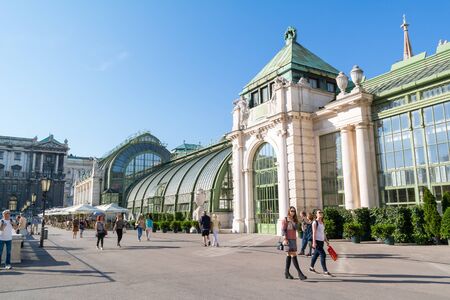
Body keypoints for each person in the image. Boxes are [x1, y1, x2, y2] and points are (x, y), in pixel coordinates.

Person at [282, 206, 307, 280]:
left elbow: (296, 228)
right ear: (289, 211)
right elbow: (283, 230)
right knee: (293, 255)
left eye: (294, 211)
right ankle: (300, 273)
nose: (293, 212)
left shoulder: (294, 220)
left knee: (289, 255)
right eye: (291, 211)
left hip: (293, 239)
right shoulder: (285, 220)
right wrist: (285, 239)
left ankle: (286, 273)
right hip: (288, 240)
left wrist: (294, 221)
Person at [310, 210, 332, 276]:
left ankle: (311, 267)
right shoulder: (315, 222)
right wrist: (314, 242)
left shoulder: (322, 222)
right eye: (319, 212)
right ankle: (325, 271)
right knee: (323, 255)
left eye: (321, 212)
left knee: (316, 255)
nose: (321, 213)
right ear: (316, 214)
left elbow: (323, 233)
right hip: (317, 241)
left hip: (321, 241)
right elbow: (314, 233)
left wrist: (326, 241)